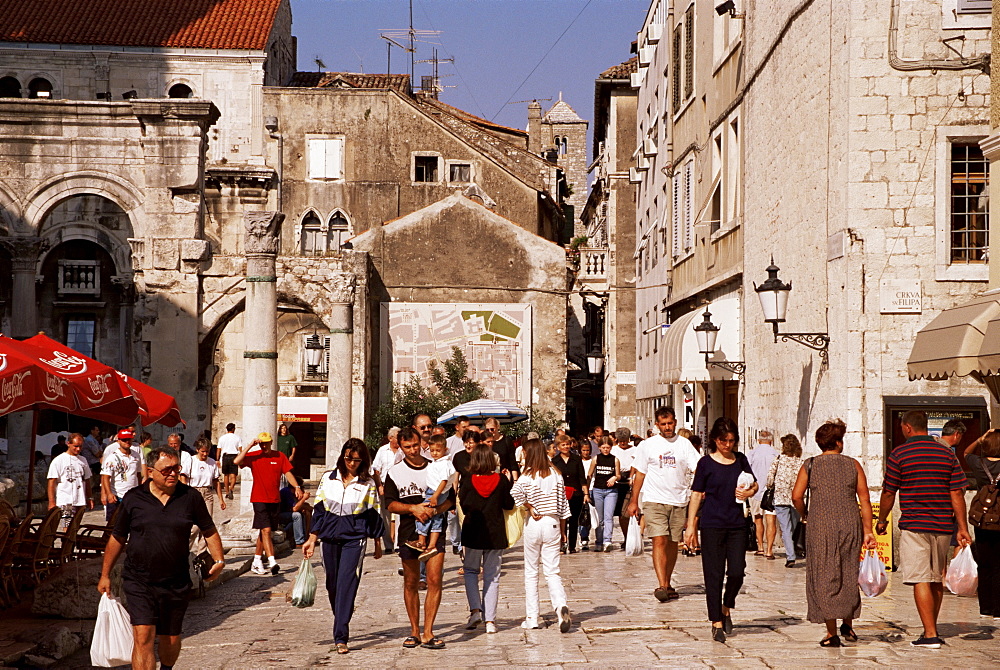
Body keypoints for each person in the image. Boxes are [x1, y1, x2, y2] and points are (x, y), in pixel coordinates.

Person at [97, 446, 225, 670]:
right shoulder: (134, 498)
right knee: (143, 635)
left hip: (176, 580)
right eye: (167, 470)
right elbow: (117, 537)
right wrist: (105, 574)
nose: (173, 474)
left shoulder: (190, 497)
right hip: (139, 579)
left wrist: (219, 560)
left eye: (176, 468)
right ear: (150, 471)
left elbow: (209, 530)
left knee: (171, 639)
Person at [876, 410, 972, 649]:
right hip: (942, 525)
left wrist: (881, 519)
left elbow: (889, 491)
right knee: (936, 578)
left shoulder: (900, 453)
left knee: (920, 579)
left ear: (907, 427)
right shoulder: (946, 453)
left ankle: (930, 634)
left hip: (915, 525)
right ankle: (933, 627)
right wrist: (962, 527)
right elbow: (957, 492)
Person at [792, 420, 876, 646]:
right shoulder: (853, 465)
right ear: (838, 442)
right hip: (850, 524)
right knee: (849, 571)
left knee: (825, 574)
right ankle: (848, 624)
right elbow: (865, 499)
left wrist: (806, 514)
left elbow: (796, 496)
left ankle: (832, 633)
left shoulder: (810, 465)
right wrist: (868, 530)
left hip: (820, 525)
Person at [302, 438, 384, 655]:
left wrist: (377, 542)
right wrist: (311, 538)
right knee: (332, 585)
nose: (352, 463)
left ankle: (341, 635)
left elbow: (374, 514)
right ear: (342, 456)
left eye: (357, 460)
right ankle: (341, 616)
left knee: (347, 583)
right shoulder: (328, 479)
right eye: (348, 458)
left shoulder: (368, 484)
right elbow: (319, 510)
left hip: (354, 540)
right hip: (328, 538)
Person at [684, 417, 757, 643]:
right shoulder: (705, 464)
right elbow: (696, 494)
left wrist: (750, 493)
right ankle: (716, 620)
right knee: (713, 574)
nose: (728, 445)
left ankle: (727, 606)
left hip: (737, 524)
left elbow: (753, 484)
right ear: (715, 440)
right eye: (723, 440)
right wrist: (690, 527)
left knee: (737, 571)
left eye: (732, 441)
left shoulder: (741, 460)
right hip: (712, 524)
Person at [384, 426, 454, 649]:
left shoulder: (436, 467)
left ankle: (428, 632)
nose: (413, 450)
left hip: (435, 531)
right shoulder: (394, 472)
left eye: (415, 445)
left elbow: (451, 498)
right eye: (407, 447)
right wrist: (413, 509)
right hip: (408, 532)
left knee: (434, 580)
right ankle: (414, 631)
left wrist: (435, 510)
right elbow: (390, 503)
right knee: (411, 582)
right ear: (400, 447)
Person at [627, 406, 700, 601]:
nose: (667, 427)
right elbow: (640, 474)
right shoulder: (648, 445)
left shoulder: (685, 445)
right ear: (657, 425)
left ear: (675, 422)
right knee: (659, 540)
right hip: (654, 500)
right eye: (663, 424)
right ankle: (661, 585)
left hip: (678, 499)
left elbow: (698, 469)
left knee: (672, 542)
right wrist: (634, 501)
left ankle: (668, 582)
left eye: (670, 423)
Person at [511, 438, 572, 633]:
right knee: (552, 571)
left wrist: (529, 505)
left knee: (531, 571)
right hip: (553, 522)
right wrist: (563, 531)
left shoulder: (526, 476)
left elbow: (514, 493)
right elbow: (563, 505)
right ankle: (560, 605)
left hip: (534, 524)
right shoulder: (556, 474)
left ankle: (532, 617)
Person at [460, 446, 515, 634]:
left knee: (470, 571)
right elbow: (509, 504)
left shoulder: (467, 480)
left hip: (473, 532)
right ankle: (490, 620)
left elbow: (465, 505)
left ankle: (475, 610)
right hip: (495, 533)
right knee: (492, 577)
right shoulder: (500, 480)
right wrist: (508, 482)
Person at [234, 431, 303, 575]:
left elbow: (288, 472)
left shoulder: (280, 456)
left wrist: (296, 487)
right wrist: (250, 446)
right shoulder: (254, 456)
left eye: (266, 443)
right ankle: (272, 561)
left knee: (265, 531)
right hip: (259, 498)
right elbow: (237, 461)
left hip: (274, 499)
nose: (264, 446)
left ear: (271, 442)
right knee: (266, 530)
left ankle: (257, 561)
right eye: (262, 443)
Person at [965, 429, 1000, 620]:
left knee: (984, 564)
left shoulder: (979, 464)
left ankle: (985, 607)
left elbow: (966, 454)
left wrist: (979, 439)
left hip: (983, 519)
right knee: (999, 565)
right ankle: (998, 608)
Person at [405, 434, 456, 561]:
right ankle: (432, 545)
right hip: (434, 491)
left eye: (438, 450)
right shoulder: (438, 462)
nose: (434, 453)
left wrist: (435, 496)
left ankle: (421, 541)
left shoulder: (444, 464)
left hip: (435, 492)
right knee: (436, 518)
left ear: (444, 450)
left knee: (423, 514)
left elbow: (443, 481)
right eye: (432, 450)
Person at [766, 434, 804, 566]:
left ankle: (790, 556)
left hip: (781, 498)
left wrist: (770, 486)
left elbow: (770, 479)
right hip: (796, 499)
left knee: (786, 528)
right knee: (791, 527)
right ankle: (791, 553)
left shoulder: (778, 459)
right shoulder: (800, 462)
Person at [187, 437, 226, 552]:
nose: (205, 454)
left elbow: (216, 481)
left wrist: (221, 499)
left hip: (207, 492)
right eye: (202, 451)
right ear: (197, 450)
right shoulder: (191, 460)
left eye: (207, 451)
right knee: (194, 526)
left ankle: (202, 553)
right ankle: (185, 549)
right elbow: (183, 477)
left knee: (206, 524)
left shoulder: (212, 462)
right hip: (194, 491)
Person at [47, 433, 93, 529]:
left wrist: (89, 497)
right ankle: (67, 542)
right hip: (66, 499)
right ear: (69, 444)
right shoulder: (59, 460)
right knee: (67, 526)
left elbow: (87, 479)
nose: (78, 449)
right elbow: (52, 481)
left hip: (80, 499)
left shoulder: (83, 460)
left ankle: (72, 542)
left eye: (80, 446)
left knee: (76, 526)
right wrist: (52, 501)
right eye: (75, 446)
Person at [550, 435, 588, 553]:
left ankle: (572, 546)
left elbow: (582, 477)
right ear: (558, 447)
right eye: (563, 445)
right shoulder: (554, 461)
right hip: (561, 495)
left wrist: (586, 494)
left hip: (576, 494)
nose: (566, 447)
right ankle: (562, 544)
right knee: (561, 520)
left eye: (567, 444)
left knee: (573, 520)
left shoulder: (576, 459)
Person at [100, 427, 144, 522]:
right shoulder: (112, 457)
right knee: (113, 525)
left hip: (132, 495)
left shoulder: (136, 455)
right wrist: (108, 494)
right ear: (119, 441)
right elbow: (105, 477)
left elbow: (138, 473)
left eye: (129, 439)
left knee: (133, 522)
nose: (127, 442)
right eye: (124, 440)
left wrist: (140, 489)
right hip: (117, 495)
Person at [372, 426, 403, 553]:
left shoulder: (403, 450)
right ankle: (388, 545)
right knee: (385, 516)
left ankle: (398, 544)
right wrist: (379, 485)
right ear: (390, 438)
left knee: (400, 514)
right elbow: (375, 469)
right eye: (398, 437)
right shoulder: (382, 451)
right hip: (385, 485)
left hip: (400, 485)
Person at [747, 431, 778, 558]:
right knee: (771, 521)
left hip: (756, 491)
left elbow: (747, 472)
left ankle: (760, 547)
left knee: (758, 519)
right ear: (771, 441)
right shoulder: (776, 454)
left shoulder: (752, 454)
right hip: (771, 493)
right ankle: (769, 550)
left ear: (758, 440)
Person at [589, 435, 621, 552]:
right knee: (599, 518)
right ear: (599, 448)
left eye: (608, 447)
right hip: (598, 490)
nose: (606, 449)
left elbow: (618, 475)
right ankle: (599, 540)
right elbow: (590, 474)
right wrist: (586, 492)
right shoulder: (596, 459)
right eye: (603, 447)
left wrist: (614, 478)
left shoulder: (615, 459)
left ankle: (607, 540)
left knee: (609, 517)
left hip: (611, 491)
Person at [611, 426, 637, 550]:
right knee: (620, 514)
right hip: (617, 479)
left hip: (630, 480)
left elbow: (636, 464)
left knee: (628, 512)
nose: (623, 443)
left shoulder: (635, 450)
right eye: (620, 441)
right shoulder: (613, 450)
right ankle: (626, 536)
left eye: (625, 441)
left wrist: (631, 477)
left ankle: (632, 537)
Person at [279, 483, 312, 547]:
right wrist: (303, 498)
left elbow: (304, 506)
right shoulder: (286, 491)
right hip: (280, 515)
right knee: (297, 515)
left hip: (288, 515)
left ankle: (306, 538)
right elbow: (295, 509)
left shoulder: (293, 494)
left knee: (306, 512)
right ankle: (299, 541)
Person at [217, 422, 243, 500]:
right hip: (234, 456)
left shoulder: (222, 438)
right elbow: (240, 449)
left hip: (225, 456)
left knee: (226, 475)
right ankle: (231, 488)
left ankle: (227, 492)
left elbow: (219, 449)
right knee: (233, 475)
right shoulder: (237, 438)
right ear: (233, 429)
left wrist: (217, 459)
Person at [578, 440, 596, 550]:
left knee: (591, 514)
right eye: (584, 450)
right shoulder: (577, 461)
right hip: (581, 489)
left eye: (588, 450)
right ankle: (584, 537)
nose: (586, 452)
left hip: (593, 488)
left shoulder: (593, 460)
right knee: (583, 515)